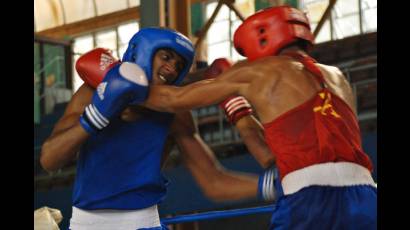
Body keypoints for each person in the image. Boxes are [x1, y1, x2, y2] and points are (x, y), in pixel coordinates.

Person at [142, 6, 377, 229]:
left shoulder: (258, 71)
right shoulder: (338, 78)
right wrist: (237, 109)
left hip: (308, 197)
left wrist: (123, 82)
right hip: (365, 194)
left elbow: (171, 100)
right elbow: (271, 155)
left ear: (261, 38)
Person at [40, 28, 277, 230]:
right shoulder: (93, 92)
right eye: (165, 57)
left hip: (144, 220)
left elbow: (213, 182)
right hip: (86, 223)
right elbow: (50, 160)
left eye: (178, 65)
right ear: (140, 52)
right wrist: (95, 116)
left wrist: (273, 186)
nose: (171, 68)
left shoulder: (175, 114)